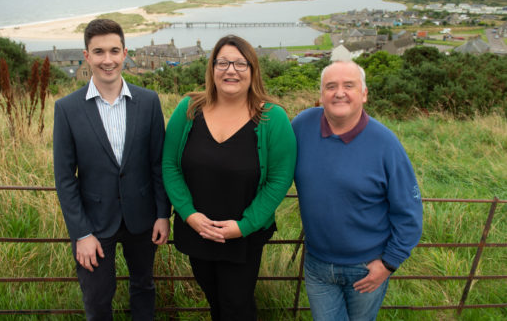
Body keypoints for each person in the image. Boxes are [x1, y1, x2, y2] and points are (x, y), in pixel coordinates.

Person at [162, 35, 296, 321]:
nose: (230, 70)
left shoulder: (273, 118)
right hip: (198, 230)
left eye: (240, 63)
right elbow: (170, 166)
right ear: (212, 69)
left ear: (252, 70)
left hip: (244, 236)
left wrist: (244, 226)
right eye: (222, 62)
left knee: (237, 305)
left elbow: (279, 180)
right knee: (216, 302)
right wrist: (188, 214)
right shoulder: (188, 109)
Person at [53, 19, 171, 320]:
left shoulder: (148, 102)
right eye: (99, 52)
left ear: (125, 53)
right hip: (93, 222)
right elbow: (65, 178)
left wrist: (162, 214)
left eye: (114, 51)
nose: (108, 60)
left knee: (143, 287)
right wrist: (81, 233)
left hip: (143, 218)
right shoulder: (67, 109)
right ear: (87, 56)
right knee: (96, 298)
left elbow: (158, 163)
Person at [292, 61, 422, 321]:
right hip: (317, 264)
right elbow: (274, 168)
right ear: (321, 95)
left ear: (364, 94)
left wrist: (388, 264)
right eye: (331, 86)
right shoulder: (301, 126)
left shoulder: (385, 144)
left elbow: (409, 210)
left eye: (348, 85)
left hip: (366, 267)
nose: (339, 92)